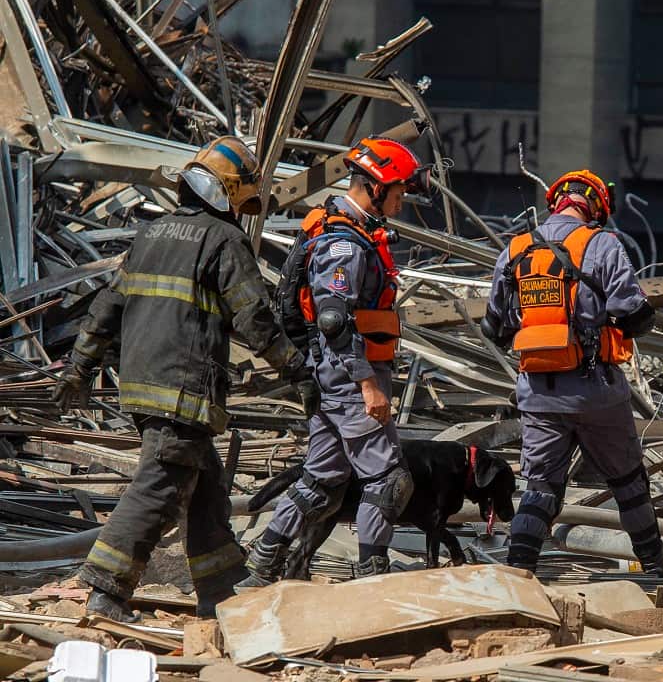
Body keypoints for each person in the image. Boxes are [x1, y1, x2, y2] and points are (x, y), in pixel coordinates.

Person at [52, 136, 318, 621]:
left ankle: (223, 588)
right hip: (183, 388)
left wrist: (78, 369)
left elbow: (106, 306)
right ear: (233, 192)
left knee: (207, 486)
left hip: (140, 382)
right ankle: (105, 589)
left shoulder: (151, 235)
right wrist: (298, 369)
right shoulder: (224, 239)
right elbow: (254, 317)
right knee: (160, 486)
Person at [239, 137, 428, 584]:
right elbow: (333, 319)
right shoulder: (344, 243)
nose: (403, 198)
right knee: (386, 480)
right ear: (375, 187)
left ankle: (261, 566)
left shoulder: (353, 231)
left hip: (337, 375)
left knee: (322, 479)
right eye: (399, 190)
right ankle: (371, 578)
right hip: (349, 376)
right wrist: (367, 383)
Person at [482, 170, 663, 577]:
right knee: (629, 485)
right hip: (597, 393)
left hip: (538, 393)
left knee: (540, 490)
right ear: (596, 206)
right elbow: (634, 314)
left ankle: (518, 576)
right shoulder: (602, 244)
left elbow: (492, 328)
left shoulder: (515, 249)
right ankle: (657, 575)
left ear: (556, 202)